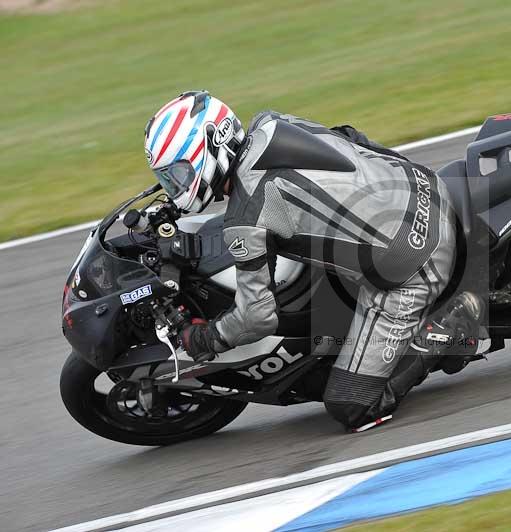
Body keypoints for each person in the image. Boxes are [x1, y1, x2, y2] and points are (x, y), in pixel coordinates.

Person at [143, 91, 482, 431]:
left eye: (180, 174)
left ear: (211, 146)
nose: (177, 187)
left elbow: (256, 317)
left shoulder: (246, 217)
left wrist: (203, 339)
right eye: (168, 179)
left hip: (415, 265)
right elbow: (351, 138)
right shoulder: (270, 123)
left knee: (350, 406)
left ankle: (448, 330)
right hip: (424, 184)